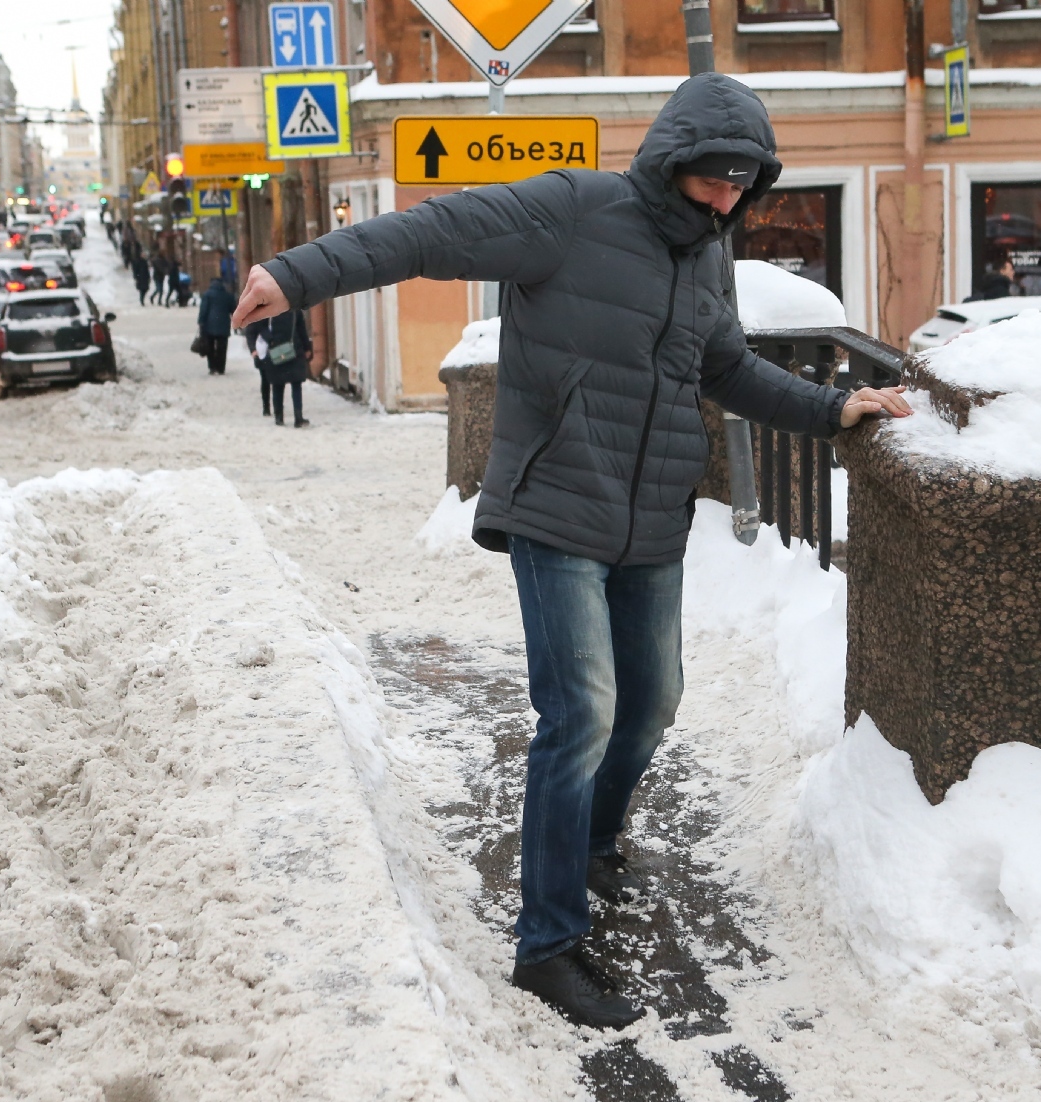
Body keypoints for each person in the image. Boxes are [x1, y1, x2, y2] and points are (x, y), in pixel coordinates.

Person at [232, 72, 910, 1029]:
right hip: (556, 509)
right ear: (672, 159)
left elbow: (726, 368)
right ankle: (547, 943)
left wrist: (834, 409)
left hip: (650, 519)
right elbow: (429, 235)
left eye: (741, 187)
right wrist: (297, 275)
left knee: (654, 703)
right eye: (712, 180)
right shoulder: (571, 208)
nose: (724, 201)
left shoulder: (707, 257)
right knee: (579, 715)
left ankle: (591, 837)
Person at [254, 309, 311, 426]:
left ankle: (279, 417)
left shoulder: (270, 307)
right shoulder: (295, 308)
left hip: (277, 350)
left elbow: (260, 326)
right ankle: (298, 417)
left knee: (279, 385)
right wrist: (306, 347)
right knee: (294, 384)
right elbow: (301, 329)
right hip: (293, 348)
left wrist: (271, 340)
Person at [197, 276, 236, 374]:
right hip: (223, 325)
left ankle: (212, 367)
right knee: (222, 347)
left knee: (210, 347)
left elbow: (203, 310)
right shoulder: (228, 295)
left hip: (209, 325)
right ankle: (221, 368)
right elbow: (233, 310)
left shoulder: (207, 295)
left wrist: (201, 322)